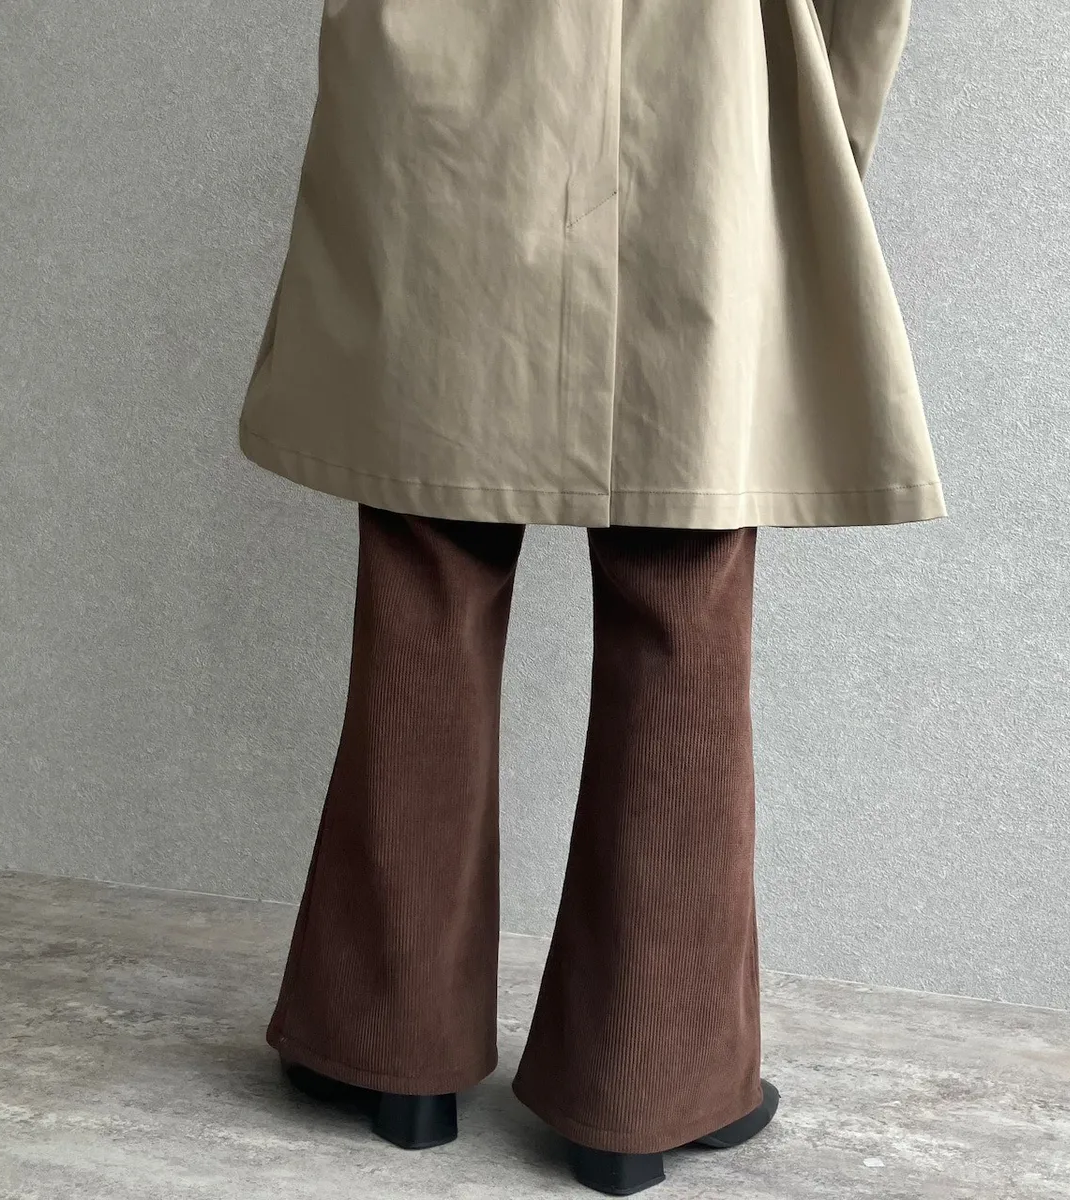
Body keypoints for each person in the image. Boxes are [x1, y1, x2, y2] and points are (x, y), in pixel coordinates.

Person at [237, 2, 944, 1194]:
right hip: (707, 118)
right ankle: (647, 1086)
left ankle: (391, 1050)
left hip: (450, 123)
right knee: (685, 579)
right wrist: (822, 138)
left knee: (429, 556)